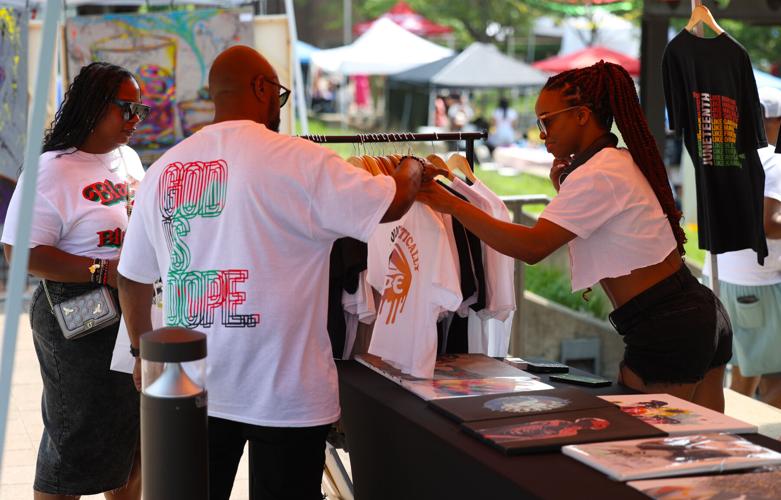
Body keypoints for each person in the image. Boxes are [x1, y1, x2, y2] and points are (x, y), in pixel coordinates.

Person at [116, 45, 440, 500]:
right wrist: (412, 168)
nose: (279, 107)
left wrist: (139, 351)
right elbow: (392, 202)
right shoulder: (301, 161)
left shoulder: (163, 170)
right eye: (280, 95)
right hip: (287, 390)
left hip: (190, 384)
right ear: (261, 88)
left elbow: (130, 277)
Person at [419, 61, 732, 412]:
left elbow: (532, 247)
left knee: (648, 446)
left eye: (547, 120)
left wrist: (454, 205)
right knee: (710, 448)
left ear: (582, 115)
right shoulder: (614, 162)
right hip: (695, 313)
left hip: (668, 325)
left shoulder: (599, 173)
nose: (541, 133)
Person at [2, 62, 147, 499]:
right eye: (127, 108)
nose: (135, 119)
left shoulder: (128, 158)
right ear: (94, 106)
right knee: (76, 439)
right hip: (77, 310)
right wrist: (102, 271)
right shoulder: (51, 169)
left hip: (133, 311)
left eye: (140, 108)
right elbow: (19, 251)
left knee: (131, 440)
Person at [703, 86, 781, 408]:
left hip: (721, 280)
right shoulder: (774, 160)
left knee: (744, 374)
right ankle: (770, 453)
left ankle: (736, 441)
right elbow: (767, 224)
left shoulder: (728, 155)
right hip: (760, 286)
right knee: (777, 378)